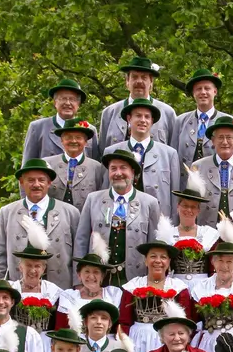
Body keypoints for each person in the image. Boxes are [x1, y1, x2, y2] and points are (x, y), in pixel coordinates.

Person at [75, 148, 160, 286]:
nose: (118, 173)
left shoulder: (150, 203)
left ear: (133, 172)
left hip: (135, 280)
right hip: (98, 280)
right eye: (113, 168)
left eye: (123, 168)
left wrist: (153, 282)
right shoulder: (93, 199)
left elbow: (154, 246)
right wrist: (78, 281)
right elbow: (81, 240)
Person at [0, 158, 77, 290]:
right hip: (18, 288)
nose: (36, 184)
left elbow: (78, 253)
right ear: (22, 182)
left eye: (41, 180)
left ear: (49, 183)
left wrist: (78, 285)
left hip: (60, 288)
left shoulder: (70, 212)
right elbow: (0, 253)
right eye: (31, 180)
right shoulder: (7, 212)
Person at [116, 241, 195, 352]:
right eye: (153, 256)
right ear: (146, 261)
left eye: (163, 257)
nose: (158, 261)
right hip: (137, 341)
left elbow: (185, 323)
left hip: (168, 341)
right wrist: (125, 346)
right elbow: (124, 322)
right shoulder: (133, 286)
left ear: (169, 262)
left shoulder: (179, 288)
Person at [97, 56, 179, 158]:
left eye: (144, 77)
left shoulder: (167, 113)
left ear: (151, 82)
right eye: (134, 77)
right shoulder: (109, 113)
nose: (139, 81)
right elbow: (102, 154)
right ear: (127, 81)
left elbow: (174, 155)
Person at [106, 97, 182, 203]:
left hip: (158, 212)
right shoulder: (111, 152)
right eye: (138, 115)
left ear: (152, 121)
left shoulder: (169, 154)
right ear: (129, 119)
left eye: (147, 117)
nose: (143, 120)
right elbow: (105, 193)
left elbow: (175, 196)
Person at [191, 240, 233, 352]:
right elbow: (194, 320)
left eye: (229, 261)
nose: (224, 266)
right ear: (213, 262)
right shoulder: (201, 287)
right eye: (220, 261)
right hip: (209, 344)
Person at [193, 115, 233, 218]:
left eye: (229, 137)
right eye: (220, 137)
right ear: (213, 141)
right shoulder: (198, 167)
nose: (225, 142)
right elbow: (191, 205)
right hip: (206, 226)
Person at [158, 175, 219, 279]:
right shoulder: (167, 234)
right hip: (175, 283)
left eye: (193, 207)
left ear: (198, 210)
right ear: (178, 207)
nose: (189, 210)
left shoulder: (208, 233)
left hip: (203, 283)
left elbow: (214, 265)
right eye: (185, 206)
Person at [169, 68, 233, 158]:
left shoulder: (231, 122)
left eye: (207, 88)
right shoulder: (181, 121)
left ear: (215, 91)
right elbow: (173, 156)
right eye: (198, 89)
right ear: (193, 93)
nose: (203, 92)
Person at [22, 77, 87, 163]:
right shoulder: (38, 127)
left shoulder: (89, 129)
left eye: (72, 99)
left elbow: (95, 165)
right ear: (55, 102)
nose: (68, 103)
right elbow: (28, 163)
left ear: (78, 104)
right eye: (63, 98)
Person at [47, 119, 107, 210]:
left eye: (78, 137)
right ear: (61, 140)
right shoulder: (48, 164)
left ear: (86, 142)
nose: (74, 141)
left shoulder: (97, 167)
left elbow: (102, 198)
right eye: (68, 137)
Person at [56, 255, 122, 332]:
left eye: (96, 272)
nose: (91, 276)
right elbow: (61, 329)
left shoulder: (113, 294)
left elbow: (120, 327)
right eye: (87, 271)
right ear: (79, 275)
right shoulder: (68, 296)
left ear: (102, 276)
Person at [9, 245, 64, 336]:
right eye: (28, 265)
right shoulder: (12, 289)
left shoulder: (52, 290)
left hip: (45, 339)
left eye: (37, 266)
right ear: (21, 267)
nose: (33, 270)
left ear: (43, 269)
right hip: (17, 337)